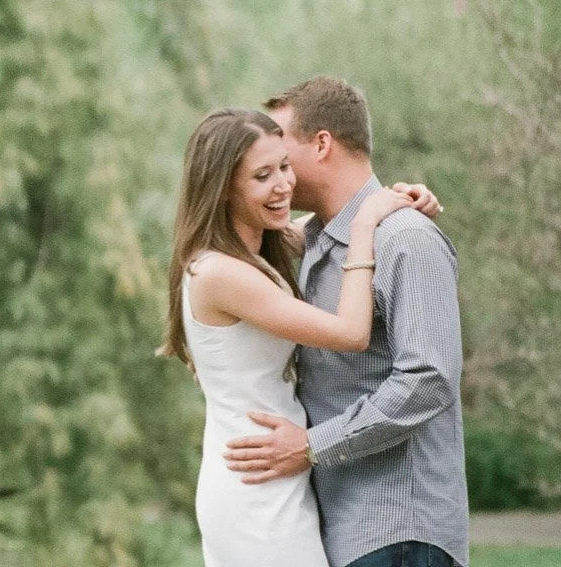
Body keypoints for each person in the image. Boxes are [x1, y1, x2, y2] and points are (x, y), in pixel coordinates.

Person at [160, 103, 450, 567]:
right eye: (262, 176)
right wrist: (365, 223)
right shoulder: (220, 273)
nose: (283, 185)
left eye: (284, 167)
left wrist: (401, 203)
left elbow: (321, 228)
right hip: (254, 480)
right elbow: (352, 332)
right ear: (222, 186)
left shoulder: (253, 252)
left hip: (279, 468)